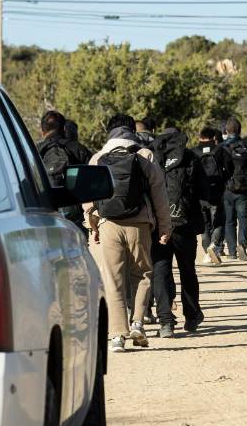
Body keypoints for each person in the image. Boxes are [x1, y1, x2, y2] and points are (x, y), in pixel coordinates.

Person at [84, 113, 171, 353]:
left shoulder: (98, 158)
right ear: (132, 131)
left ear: (109, 132)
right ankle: (138, 323)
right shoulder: (145, 155)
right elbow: (159, 196)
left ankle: (117, 336)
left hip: (108, 224)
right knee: (143, 274)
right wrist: (165, 226)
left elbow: (89, 201)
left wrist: (93, 226)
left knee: (114, 280)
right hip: (140, 225)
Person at [141, 127, 207, 337]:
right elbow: (202, 190)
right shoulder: (190, 157)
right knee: (188, 270)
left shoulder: (150, 158)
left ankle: (166, 321)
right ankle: (192, 315)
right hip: (184, 224)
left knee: (160, 271)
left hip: (158, 224)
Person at [36, 110, 93, 232]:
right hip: (76, 222)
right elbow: (94, 182)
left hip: (44, 220)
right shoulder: (78, 149)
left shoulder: (33, 153)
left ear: (42, 131)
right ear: (63, 129)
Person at [220, 117, 247, 262]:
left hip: (227, 189)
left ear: (226, 131)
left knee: (229, 220)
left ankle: (231, 251)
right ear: (240, 130)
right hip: (244, 188)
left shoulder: (222, 146)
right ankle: (242, 244)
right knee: (243, 218)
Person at [194, 126, 231, 265]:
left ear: (200, 137)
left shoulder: (194, 152)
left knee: (204, 224)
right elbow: (229, 169)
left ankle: (207, 252)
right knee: (219, 221)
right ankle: (214, 245)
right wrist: (222, 181)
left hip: (200, 195)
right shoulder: (219, 150)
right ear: (214, 138)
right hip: (217, 192)